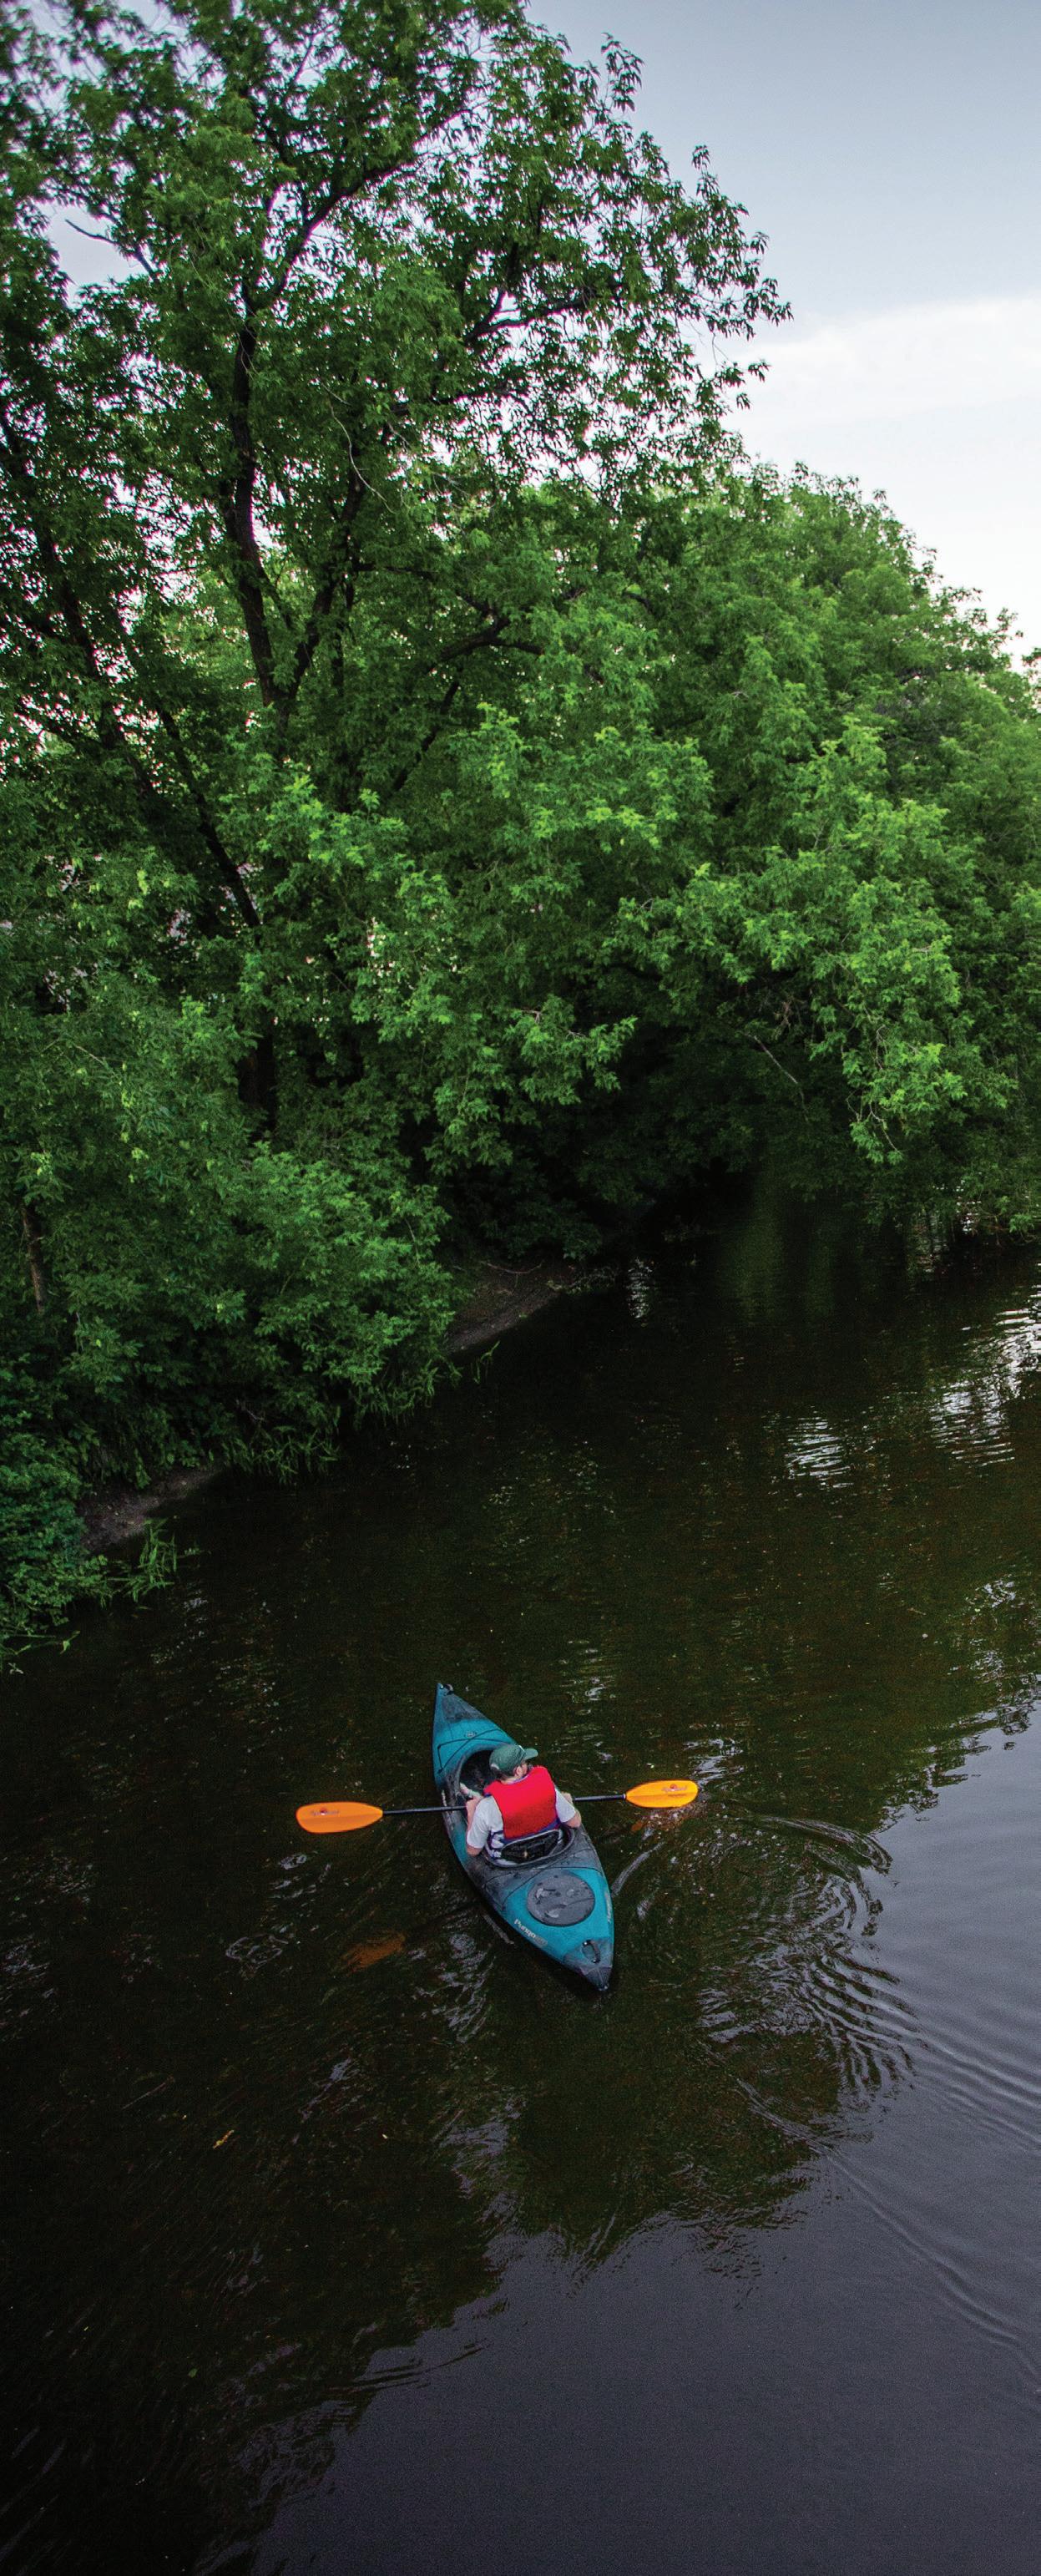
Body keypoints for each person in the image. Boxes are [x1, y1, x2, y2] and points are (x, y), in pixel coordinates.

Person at [465, 1741, 579, 1858]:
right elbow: (575, 1822)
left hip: (509, 1862)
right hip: (552, 1850)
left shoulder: (486, 1806)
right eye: (525, 1763)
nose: (529, 1765)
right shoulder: (548, 1788)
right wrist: (568, 1801)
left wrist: (471, 1813)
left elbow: (473, 1851)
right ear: (518, 1771)